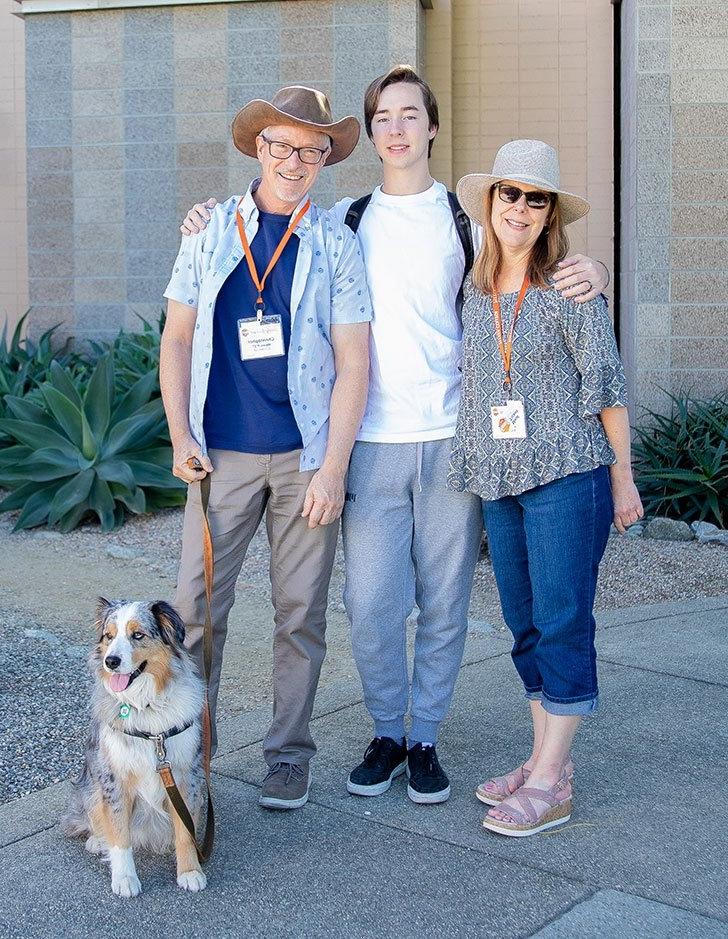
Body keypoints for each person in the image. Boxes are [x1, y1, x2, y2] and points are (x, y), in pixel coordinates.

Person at [179, 67, 611, 805]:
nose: (398, 128)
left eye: (411, 114)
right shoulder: (344, 219)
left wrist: (592, 267)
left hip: (454, 438)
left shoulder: (465, 219)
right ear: (371, 132)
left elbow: (532, 254)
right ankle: (385, 729)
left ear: (432, 127)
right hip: (369, 440)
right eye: (384, 116)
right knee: (373, 603)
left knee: (444, 601)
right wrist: (203, 219)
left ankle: (426, 739)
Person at [160, 86, 372, 812]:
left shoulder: (336, 241)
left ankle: (287, 755)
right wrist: (181, 434)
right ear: (259, 148)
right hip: (219, 457)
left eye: (311, 150)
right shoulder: (211, 230)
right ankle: (190, 752)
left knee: (299, 616)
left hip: (306, 458)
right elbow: (178, 337)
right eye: (282, 145)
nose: (295, 160)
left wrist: (334, 466)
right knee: (193, 613)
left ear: (323, 161)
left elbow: (354, 361)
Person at [448, 139, 643, 836]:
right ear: (491, 202)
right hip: (500, 476)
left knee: (562, 620)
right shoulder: (472, 289)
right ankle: (542, 764)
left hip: (569, 474)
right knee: (523, 622)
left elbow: (607, 387)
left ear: (550, 211)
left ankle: (553, 784)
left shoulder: (571, 286)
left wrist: (624, 478)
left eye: (537, 198)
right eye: (511, 194)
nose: (522, 208)